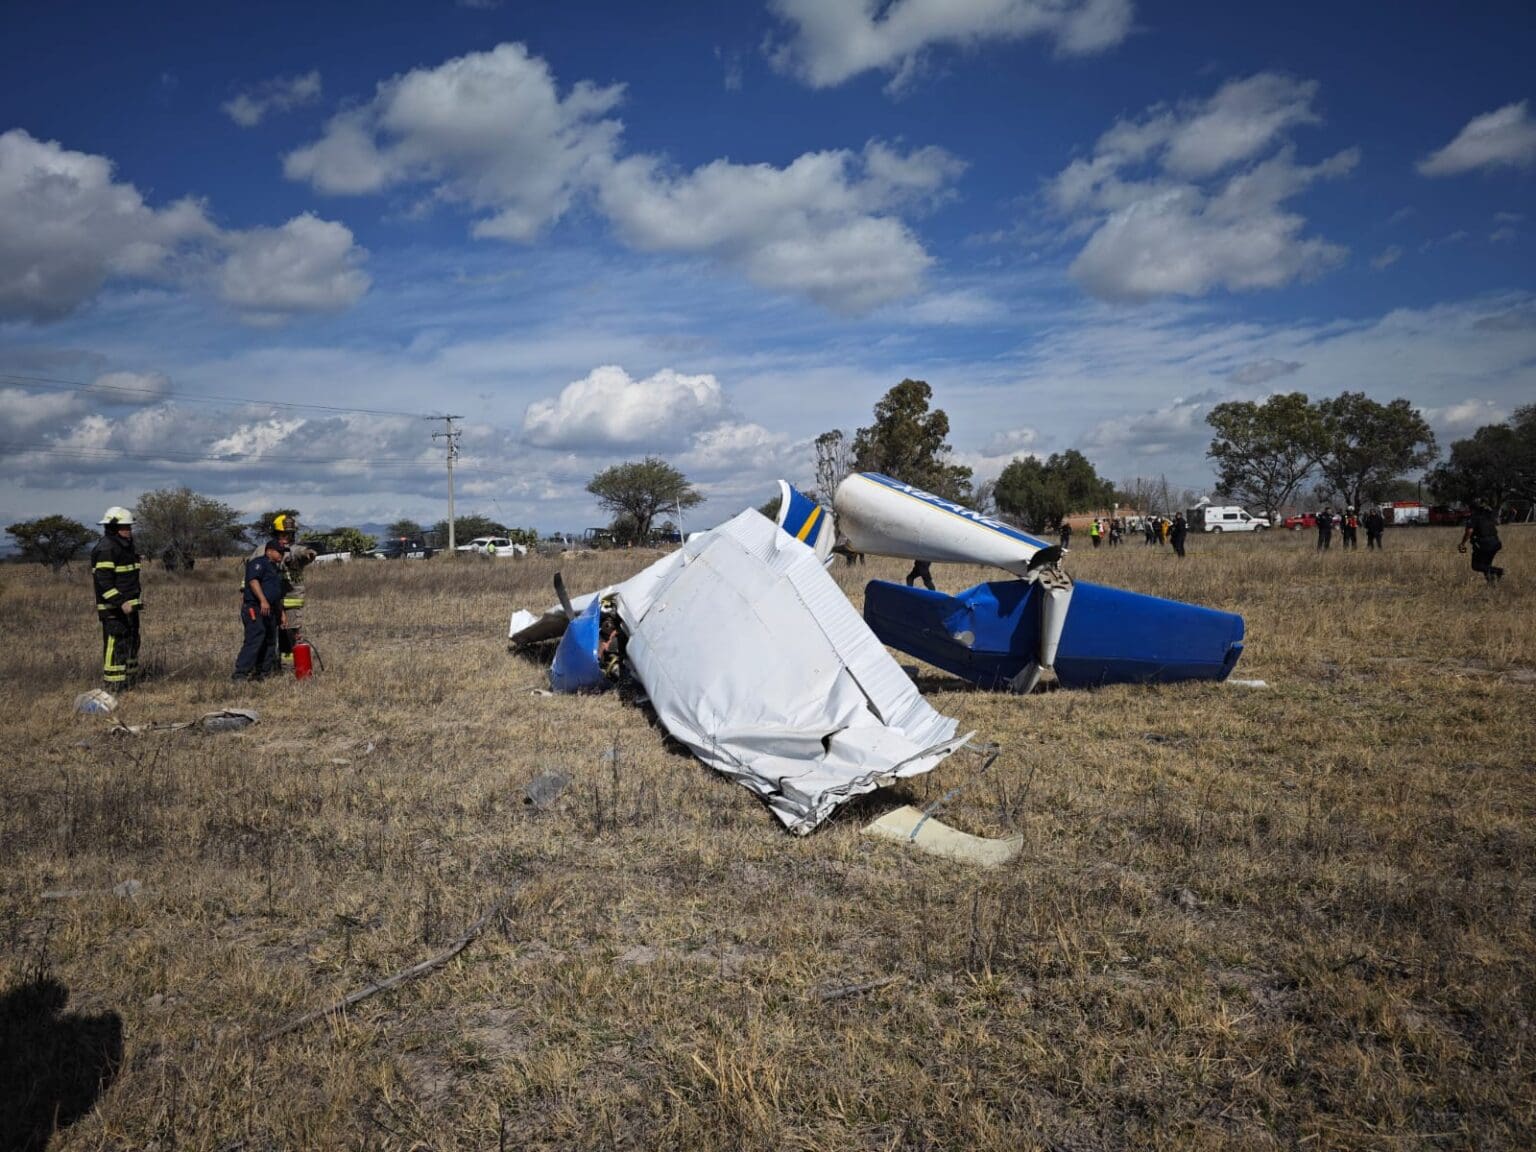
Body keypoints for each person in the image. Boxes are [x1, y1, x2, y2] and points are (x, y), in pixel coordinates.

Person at [91, 506, 142, 692]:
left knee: (132, 642)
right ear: (113, 528)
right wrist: (120, 602)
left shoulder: (124, 547)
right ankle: (114, 686)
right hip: (113, 609)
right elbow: (103, 582)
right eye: (125, 527)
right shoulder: (106, 549)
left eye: (129, 527)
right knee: (116, 644)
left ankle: (130, 680)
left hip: (129, 608)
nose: (129, 530)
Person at [270, 515, 317, 672]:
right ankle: (268, 666)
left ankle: (289, 667)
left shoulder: (295, 550)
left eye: (289, 534)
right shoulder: (264, 550)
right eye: (282, 534)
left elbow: (302, 553)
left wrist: (309, 553)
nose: (286, 538)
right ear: (275, 534)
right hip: (269, 602)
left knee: (289, 635)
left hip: (291, 601)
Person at [234, 539, 286, 681]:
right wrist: (263, 600)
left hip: (271, 610)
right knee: (255, 638)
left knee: (270, 641)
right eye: (279, 552)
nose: (281, 555)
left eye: (283, 552)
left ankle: (262, 673)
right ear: (269, 551)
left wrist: (281, 613)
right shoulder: (258, 563)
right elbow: (253, 581)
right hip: (255, 607)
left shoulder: (276, 569)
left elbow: (276, 593)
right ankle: (240, 674)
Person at [1459, 501, 1505, 584]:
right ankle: (1491, 584)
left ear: (1472, 509)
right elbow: (1496, 524)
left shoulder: (1474, 517)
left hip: (1484, 545)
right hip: (1496, 543)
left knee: (1476, 566)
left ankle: (1498, 571)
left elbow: (1469, 531)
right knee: (1486, 566)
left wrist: (1462, 543)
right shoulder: (1487, 516)